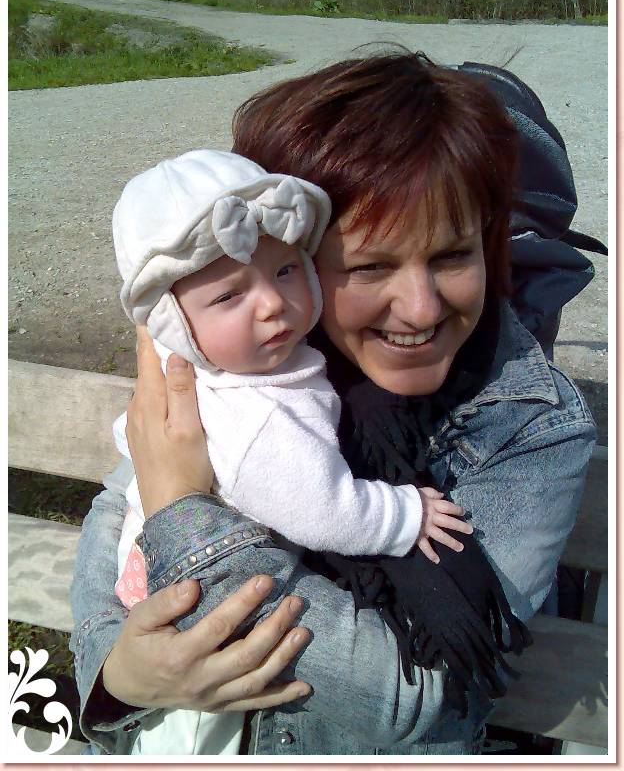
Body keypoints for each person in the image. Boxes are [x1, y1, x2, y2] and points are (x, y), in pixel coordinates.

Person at [69, 49, 596, 755]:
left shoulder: (528, 426)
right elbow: (120, 510)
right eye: (369, 266)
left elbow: (416, 695)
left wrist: (185, 517)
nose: (420, 308)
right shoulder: (243, 364)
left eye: (452, 256)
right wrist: (117, 678)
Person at [109, 148, 472, 754]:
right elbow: (320, 509)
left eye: (285, 271)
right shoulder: (256, 416)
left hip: (171, 583)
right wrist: (404, 515)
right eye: (228, 297)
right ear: (175, 325)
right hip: (200, 607)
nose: (272, 303)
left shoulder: (236, 374)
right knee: (194, 739)